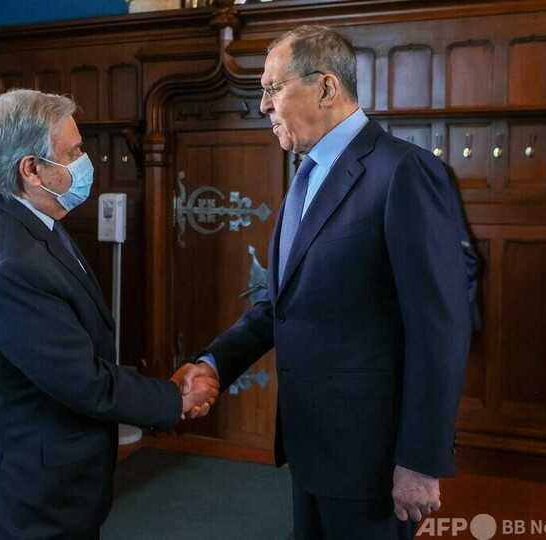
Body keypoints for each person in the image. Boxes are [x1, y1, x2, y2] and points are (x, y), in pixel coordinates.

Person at [185, 24, 473, 539]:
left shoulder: (403, 172)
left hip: (372, 460)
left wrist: (421, 459)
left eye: (273, 89)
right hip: (311, 448)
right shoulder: (307, 172)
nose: (263, 106)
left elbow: (440, 328)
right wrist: (214, 363)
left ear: (325, 88)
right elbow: (284, 303)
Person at [0, 88, 218, 539]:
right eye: (72, 153)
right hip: (24, 497)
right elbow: (82, 381)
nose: (84, 161)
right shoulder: (12, 261)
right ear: (31, 169)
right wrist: (173, 398)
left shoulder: (23, 220)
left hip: (40, 481)